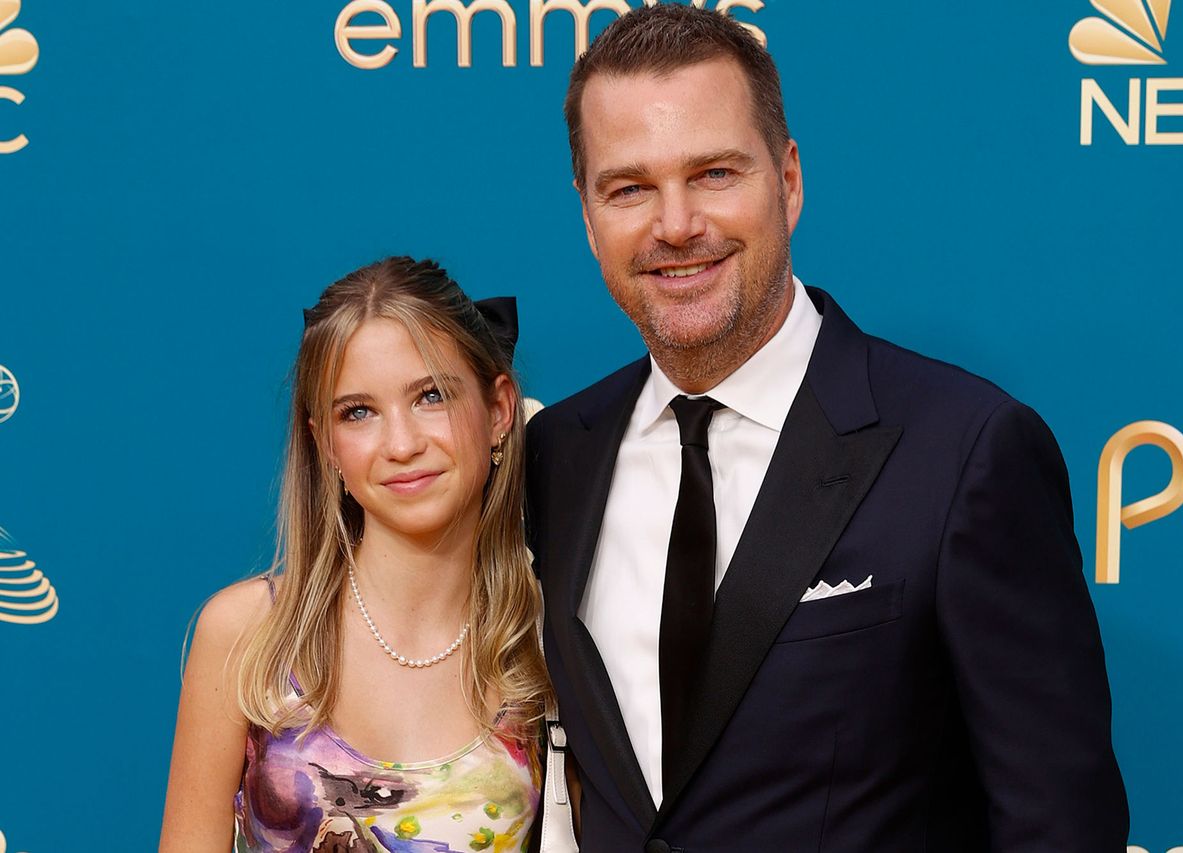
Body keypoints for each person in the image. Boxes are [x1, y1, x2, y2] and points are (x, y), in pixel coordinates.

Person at [525, 5, 1129, 851]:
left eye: (714, 174)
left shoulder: (965, 451)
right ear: (589, 219)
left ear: (789, 180)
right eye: (630, 188)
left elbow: (1058, 824)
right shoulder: (556, 454)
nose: (676, 224)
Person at [160, 257, 553, 853]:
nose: (402, 444)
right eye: (359, 412)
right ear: (325, 442)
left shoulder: (547, 643)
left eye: (431, 396)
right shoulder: (248, 634)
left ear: (499, 410)